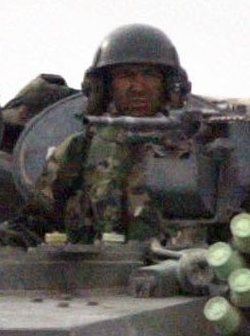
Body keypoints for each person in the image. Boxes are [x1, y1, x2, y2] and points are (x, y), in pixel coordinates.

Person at [33, 23, 191, 241]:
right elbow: (35, 219)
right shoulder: (80, 150)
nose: (138, 87)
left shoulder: (195, 150)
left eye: (149, 75)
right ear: (105, 86)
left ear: (169, 84)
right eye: (126, 76)